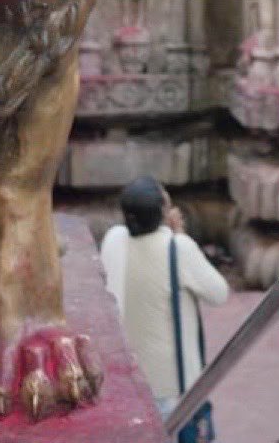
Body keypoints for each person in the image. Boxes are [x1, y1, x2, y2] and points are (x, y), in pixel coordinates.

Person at [100, 177, 229, 440]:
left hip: (130, 380)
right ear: (163, 212)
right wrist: (179, 234)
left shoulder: (113, 240)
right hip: (170, 386)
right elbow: (219, 293)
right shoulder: (177, 248)